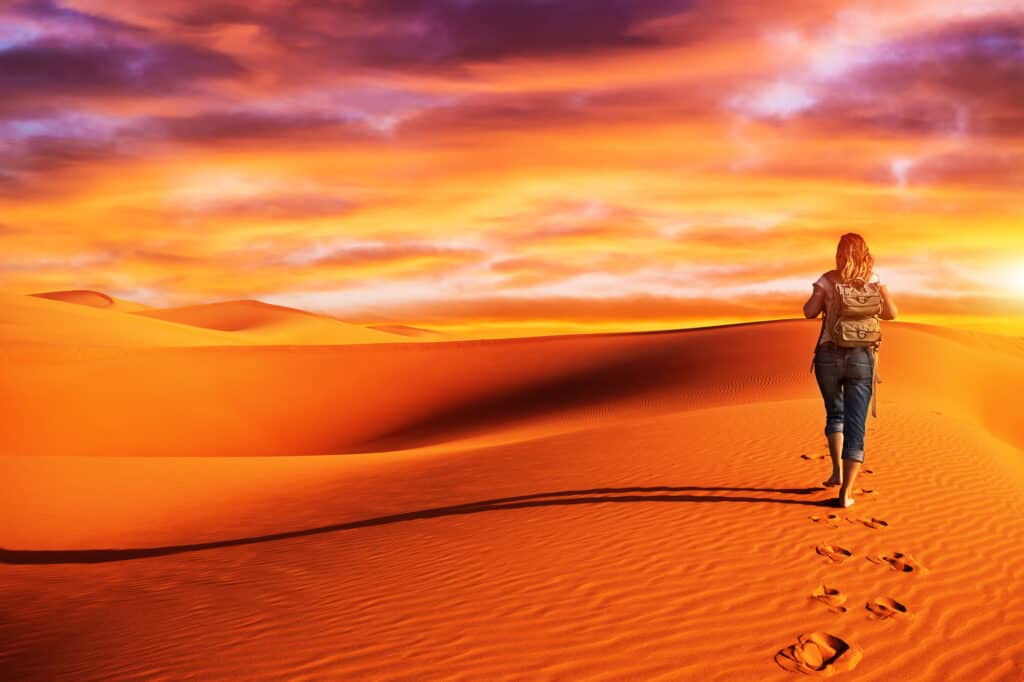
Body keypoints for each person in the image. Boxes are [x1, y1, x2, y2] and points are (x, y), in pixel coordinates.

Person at [803, 233, 898, 508]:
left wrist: (824, 298)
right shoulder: (875, 280)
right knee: (856, 425)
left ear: (839, 253)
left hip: (828, 356)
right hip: (862, 359)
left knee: (835, 413)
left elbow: (809, 312)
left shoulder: (827, 279)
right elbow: (892, 313)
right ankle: (846, 492)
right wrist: (877, 294)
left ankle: (836, 471)